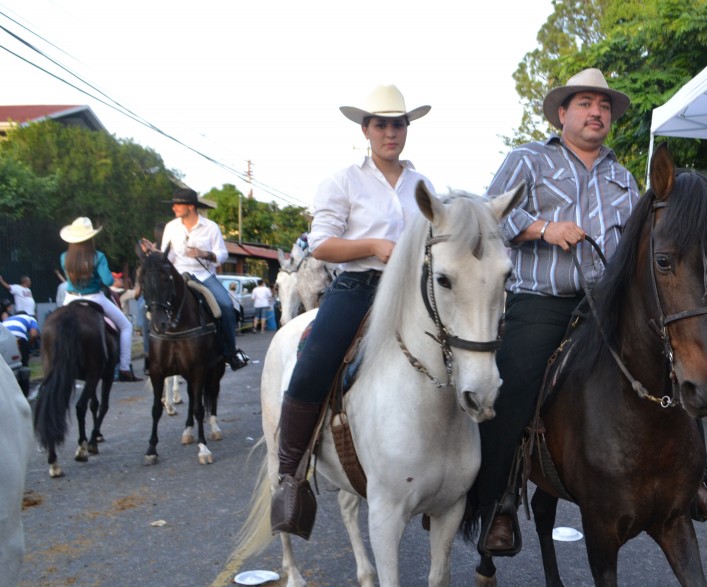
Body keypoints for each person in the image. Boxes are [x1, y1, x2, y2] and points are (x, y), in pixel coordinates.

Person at [476, 68, 707, 557]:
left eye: (604, 106)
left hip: (605, 300)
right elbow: (490, 213)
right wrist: (544, 229)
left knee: (668, 360)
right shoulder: (528, 160)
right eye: (585, 103)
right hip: (542, 298)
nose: (596, 112)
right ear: (562, 113)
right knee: (513, 379)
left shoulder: (623, 177)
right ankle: (500, 502)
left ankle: (697, 481)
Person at [270, 84, 434, 537]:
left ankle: (450, 474)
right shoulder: (342, 180)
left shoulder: (424, 185)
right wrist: (373, 245)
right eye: (381, 124)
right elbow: (321, 243)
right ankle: (290, 476)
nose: (390, 132)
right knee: (314, 361)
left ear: (407, 129)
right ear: (366, 129)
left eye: (397, 124)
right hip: (360, 285)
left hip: (415, 289)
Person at [147, 188, 248, 371]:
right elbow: (166, 257)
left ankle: (231, 353)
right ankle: (152, 357)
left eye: (178, 204)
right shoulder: (171, 227)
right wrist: (153, 254)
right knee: (149, 306)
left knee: (225, 305)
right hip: (177, 277)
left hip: (203, 276)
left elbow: (222, 254)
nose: (174, 208)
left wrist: (204, 254)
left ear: (191, 207)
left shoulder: (210, 227)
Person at [58, 217, 141, 382]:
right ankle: (124, 368)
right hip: (95, 298)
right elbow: (108, 281)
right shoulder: (98, 256)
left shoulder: (64, 256)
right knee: (126, 326)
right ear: (90, 237)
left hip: (69, 299)